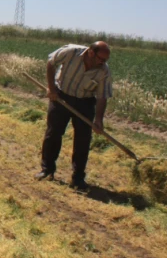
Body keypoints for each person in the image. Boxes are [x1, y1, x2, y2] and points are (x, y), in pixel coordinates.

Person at [34, 41, 112, 191]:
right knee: (53, 133)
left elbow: (102, 96)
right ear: (91, 52)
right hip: (61, 96)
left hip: (85, 102)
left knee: (83, 140)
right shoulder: (71, 52)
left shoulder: (104, 71)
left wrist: (98, 120)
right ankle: (47, 170)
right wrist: (51, 88)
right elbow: (51, 63)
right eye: (101, 59)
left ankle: (78, 178)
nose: (103, 62)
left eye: (105, 60)